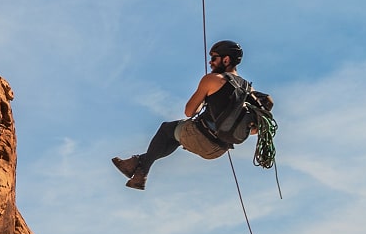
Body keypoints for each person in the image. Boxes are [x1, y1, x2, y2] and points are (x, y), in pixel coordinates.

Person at [111, 40, 270, 190]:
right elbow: (254, 130)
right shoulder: (249, 90)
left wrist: (205, 98)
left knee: (167, 129)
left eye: (214, 58)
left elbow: (189, 111)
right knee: (176, 136)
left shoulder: (213, 79)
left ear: (226, 59)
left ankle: (141, 171)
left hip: (200, 137)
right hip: (219, 150)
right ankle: (135, 166)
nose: (210, 62)